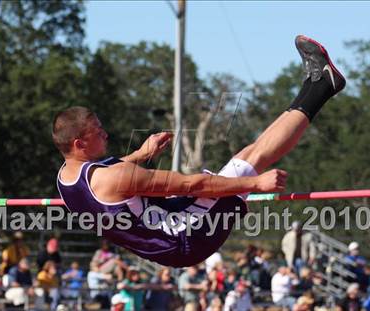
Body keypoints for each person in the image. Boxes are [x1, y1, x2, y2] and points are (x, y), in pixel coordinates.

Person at [54, 35, 346, 267]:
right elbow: (195, 184)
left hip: (165, 237)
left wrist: (141, 155)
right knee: (252, 160)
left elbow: (109, 181)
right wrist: (255, 185)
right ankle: (322, 86)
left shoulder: (65, 178)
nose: (105, 133)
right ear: (79, 144)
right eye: (98, 132)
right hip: (186, 237)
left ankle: (317, 82)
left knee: (246, 155)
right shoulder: (115, 177)